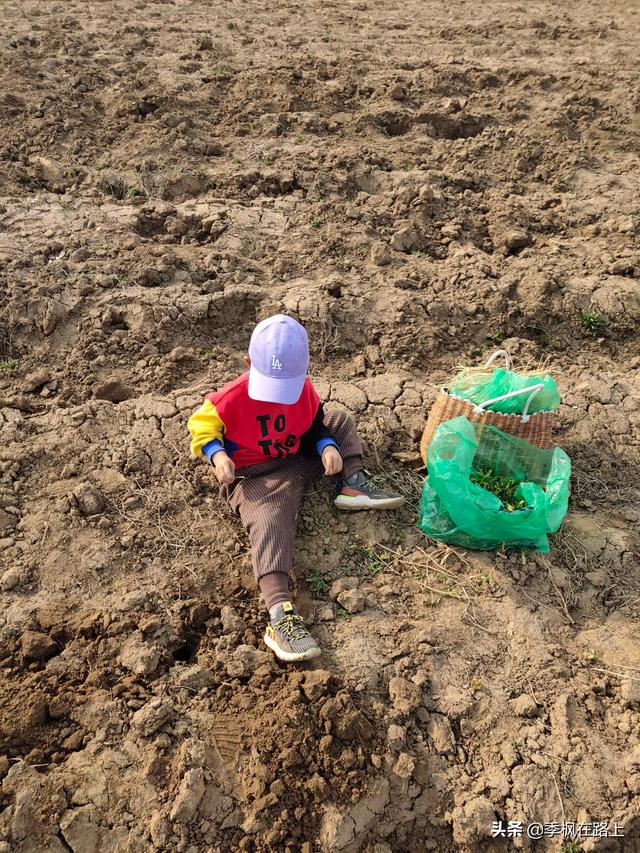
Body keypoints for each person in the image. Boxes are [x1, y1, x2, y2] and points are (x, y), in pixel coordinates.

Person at [188, 314, 403, 662]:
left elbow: (316, 423)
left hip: (295, 455)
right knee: (270, 520)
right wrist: (217, 455)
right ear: (248, 364)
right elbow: (202, 427)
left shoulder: (304, 389)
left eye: (286, 386)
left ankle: (352, 483)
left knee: (339, 421)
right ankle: (280, 614)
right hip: (256, 474)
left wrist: (326, 446)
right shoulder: (228, 399)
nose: (278, 397)